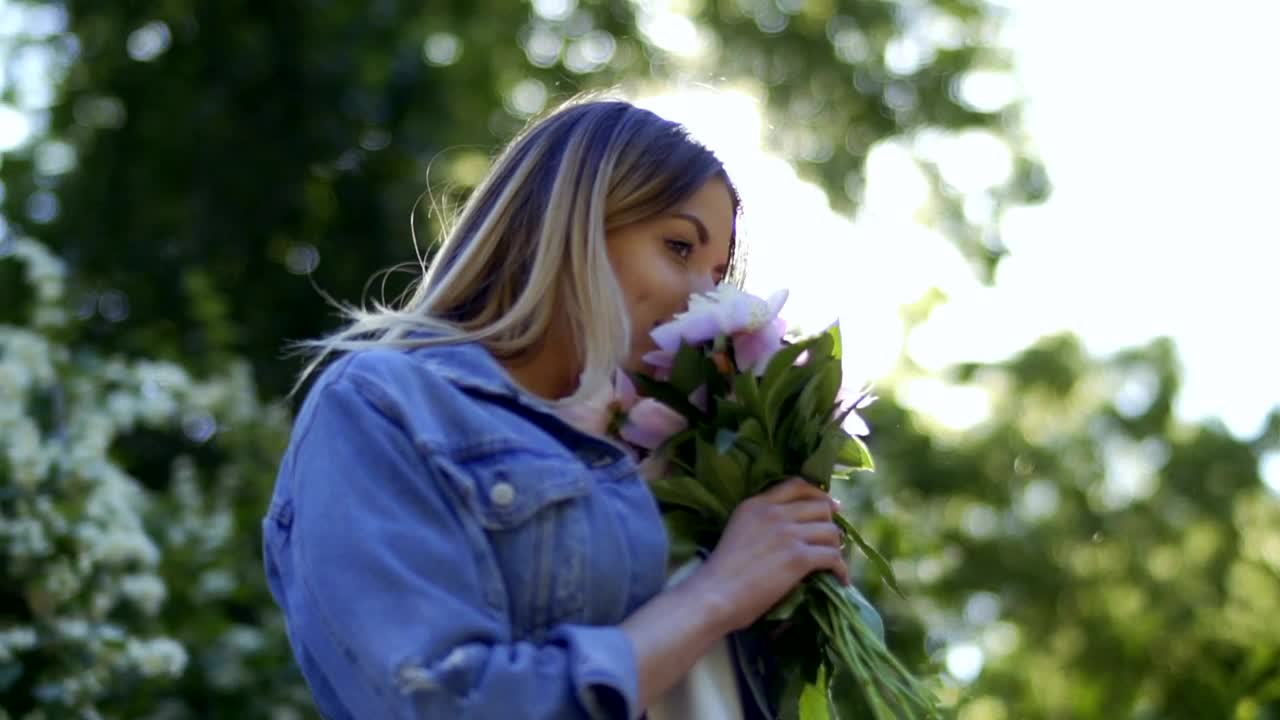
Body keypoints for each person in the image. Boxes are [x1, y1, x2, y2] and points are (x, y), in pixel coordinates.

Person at [262, 95, 850, 719]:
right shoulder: (384, 406)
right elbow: (442, 704)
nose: (706, 300)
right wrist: (718, 593)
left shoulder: (679, 455)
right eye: (679, 247)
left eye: (718, 272)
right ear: (570, 223)